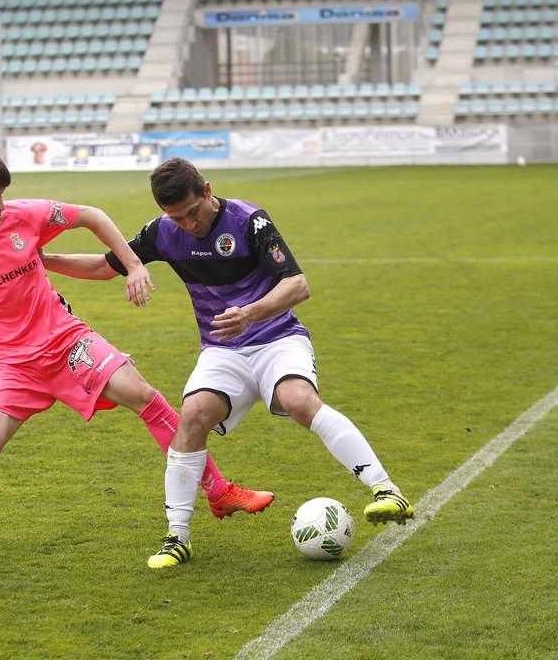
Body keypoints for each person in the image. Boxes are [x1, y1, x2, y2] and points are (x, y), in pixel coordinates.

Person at [40, 157, 415, 569]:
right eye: (176, 218)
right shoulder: (162, 232)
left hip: (277, 339)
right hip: (222, 351)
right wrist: (41, 260)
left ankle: (385, 490)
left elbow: (297, 285)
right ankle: (176, 538)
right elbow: (102, 265)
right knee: (192, 417)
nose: (189, 225)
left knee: (298, 401)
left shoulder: (249, 221)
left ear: (206, 189)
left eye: (193, 213)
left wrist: (250, 313)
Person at [0, 147, 273, 555]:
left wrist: (133, 265)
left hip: (68, 343)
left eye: (3, 196)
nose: (1, 206)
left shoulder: (25, 215)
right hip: (12, 364)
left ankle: (218, 491)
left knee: (146, 398)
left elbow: (91, 216)